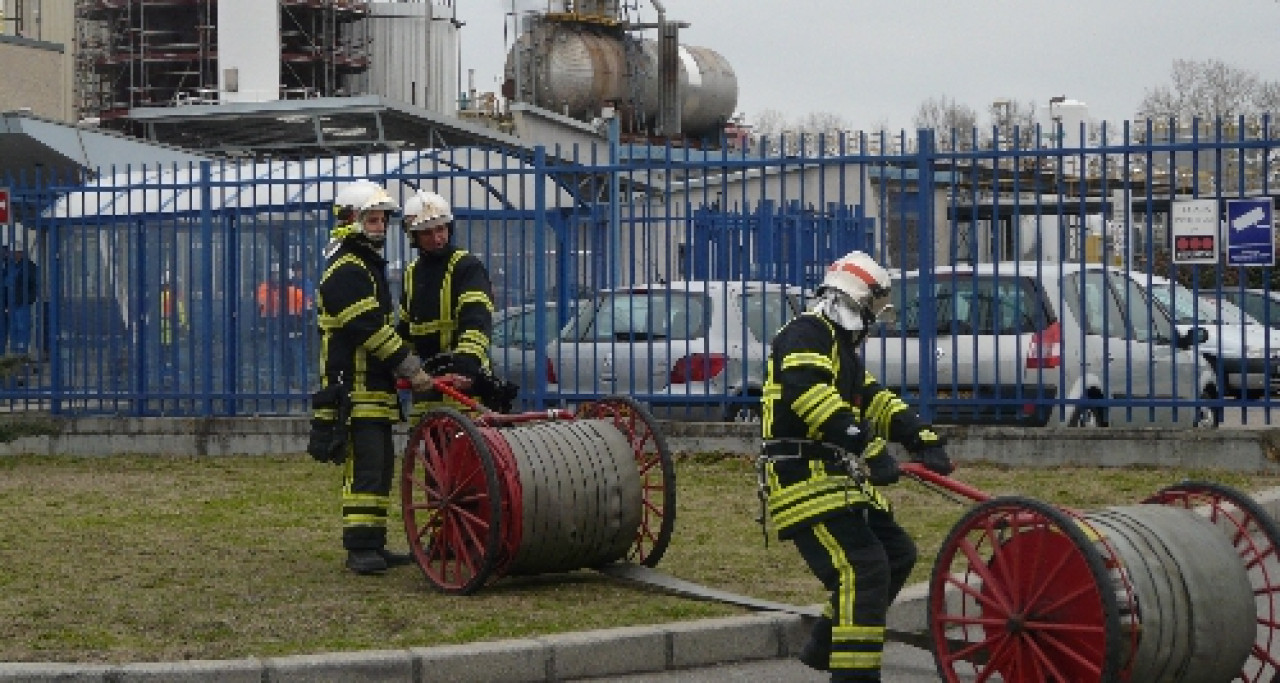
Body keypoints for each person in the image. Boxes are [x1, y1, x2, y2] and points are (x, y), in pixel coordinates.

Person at [759, 250, 954, 682]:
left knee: (897, 554)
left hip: (832, 477)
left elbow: (875, 400)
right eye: (874, 306)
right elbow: (812, 399)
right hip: (800, 478)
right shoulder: (806, 334)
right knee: (862, 568)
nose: (875, 317)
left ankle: (825, 643)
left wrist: (921, 437)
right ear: (855, 299)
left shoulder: (837, 347)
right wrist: (870, 449)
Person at [312, 179, 433, 576]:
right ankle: (359, 548)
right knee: (364, 467)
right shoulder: (346, 268)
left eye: (383, 220)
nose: (381, 227)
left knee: (380, 467)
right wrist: (409, 366)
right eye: (374, 220)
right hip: (354, 385)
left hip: (373, 387)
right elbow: (368, 328)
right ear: (350, 219)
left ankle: (375, 543)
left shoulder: (364, 264)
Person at [396, 189, 496, 416]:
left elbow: (476, 318)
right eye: (427, 233)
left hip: (464, 387)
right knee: (429, 450)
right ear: (414, 237)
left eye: (440, 229)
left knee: (465, 449)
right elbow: (405, 330)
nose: (436, 238)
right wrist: (401, 366)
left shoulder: (466, 266)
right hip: (427, 385)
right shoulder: (412, 274)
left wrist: (467, 364)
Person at [256, 263, 309, 389]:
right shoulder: (296, 291)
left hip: (281, 327)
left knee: (279, 357)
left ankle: (276, 384)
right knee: (291, 357)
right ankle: (296, 384)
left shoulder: (269, 291)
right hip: (289, 327)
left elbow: (261, 309)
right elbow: (306, 311)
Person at [0, 243, 39, 358]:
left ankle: (22, 353)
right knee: (13, 328)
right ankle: (14, 352)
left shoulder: (29, 267)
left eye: (14, 252)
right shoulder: (9, 266)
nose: (11, 255)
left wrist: (28, 300)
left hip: (22, 303)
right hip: (9, 303)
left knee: (22, 327)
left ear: (20, 253)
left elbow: (34, 285)